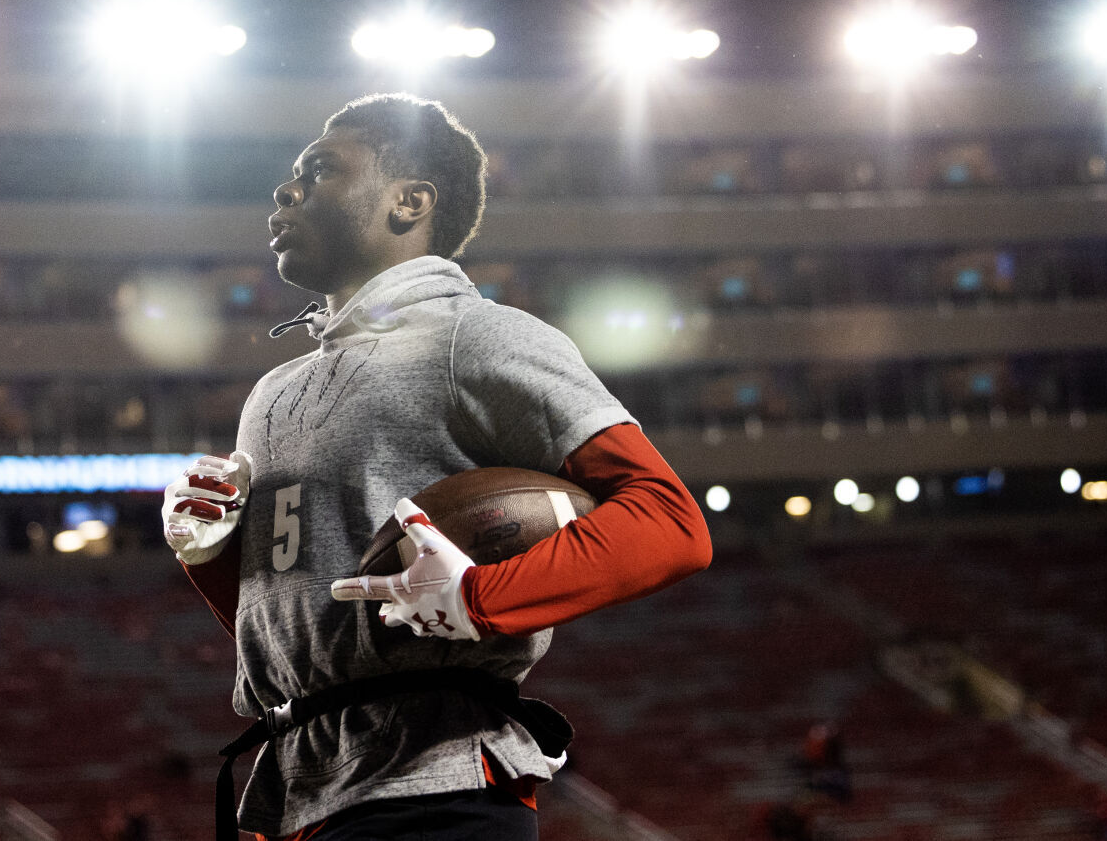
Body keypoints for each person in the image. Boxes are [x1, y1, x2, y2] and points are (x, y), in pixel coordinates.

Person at [162, 93, 712, 841]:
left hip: (436, 783)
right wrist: (208, 554)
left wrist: (481, 598)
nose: (284, 190)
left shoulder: (477, 337)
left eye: (318, 170)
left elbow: (669, 521)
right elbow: (308, 632)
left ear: (408, 201)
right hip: (299, 789)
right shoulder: (269, 393)